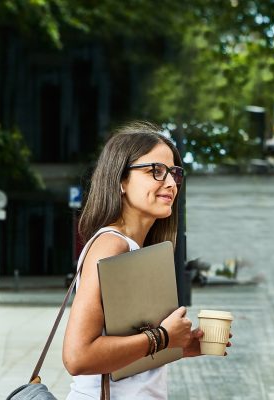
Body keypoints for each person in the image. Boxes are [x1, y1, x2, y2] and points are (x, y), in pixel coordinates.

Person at [62, 122, 231, 400]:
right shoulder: (110, 245)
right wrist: (163, 337)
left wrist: (179, 346)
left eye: (174, 173)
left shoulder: (136, 249)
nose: (169, 183)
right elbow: (78, 357)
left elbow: (124, 354)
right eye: (156, 171)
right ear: (120, 180)